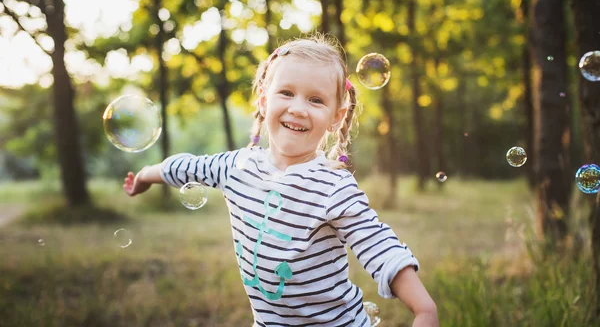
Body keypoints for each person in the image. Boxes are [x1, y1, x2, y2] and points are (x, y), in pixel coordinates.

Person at [123, 34, 439, 327]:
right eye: (286, 93)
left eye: (316, 100)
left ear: (336, 117)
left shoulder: (332, 186)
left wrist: (424, 307)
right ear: (263, 100)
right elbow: (186, 167)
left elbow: (378, 245)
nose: (298, 108)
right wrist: (145, 176)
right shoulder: (237, 166)